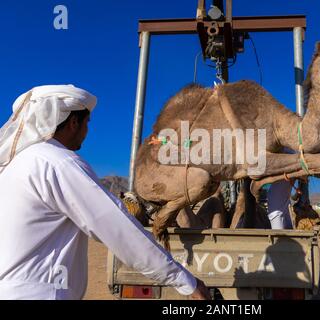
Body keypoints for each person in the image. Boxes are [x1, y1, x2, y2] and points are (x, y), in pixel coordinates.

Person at [0, 85, 210, 300]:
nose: (87, 132)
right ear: (73, 123)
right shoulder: (57, 163)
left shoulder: (13, 166)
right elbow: (118, 228)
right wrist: (184, 281)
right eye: (86, 123)